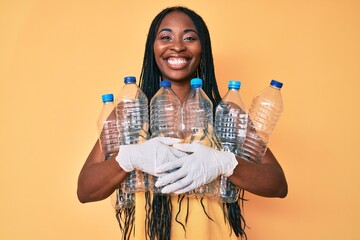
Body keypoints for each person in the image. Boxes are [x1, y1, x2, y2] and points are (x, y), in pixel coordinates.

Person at [77, 6, 288, 240]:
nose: (177, 46)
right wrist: (127, 158)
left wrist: (225, 163)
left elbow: (278, 185)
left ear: (202, 49)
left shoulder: (226, 113)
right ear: (152, 49)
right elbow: (85, 190)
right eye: (165, 37)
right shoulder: (130, 113)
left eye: (189, 38)